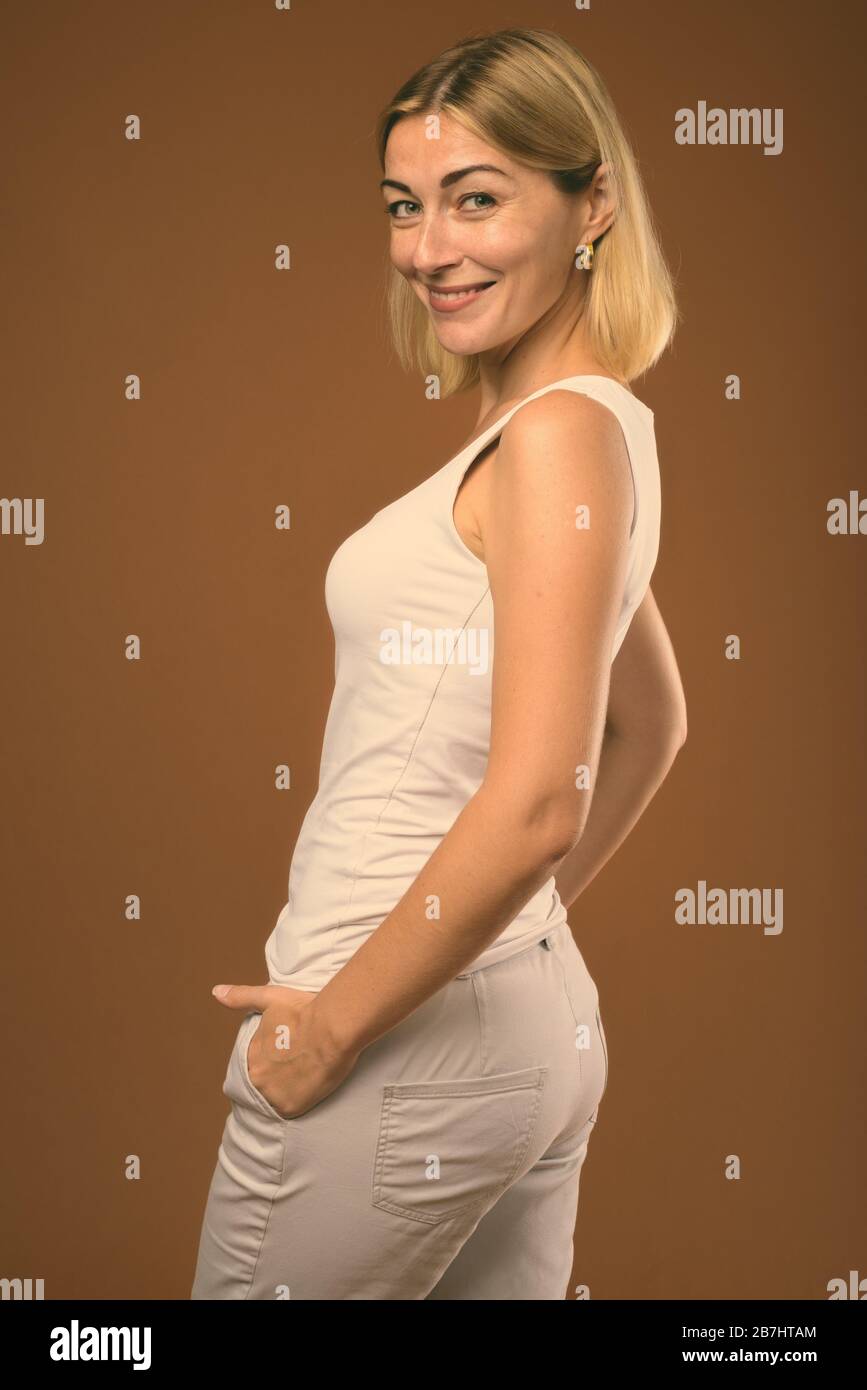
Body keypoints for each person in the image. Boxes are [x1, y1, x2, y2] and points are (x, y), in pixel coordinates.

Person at [191, 25, 686, 1301]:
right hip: (516, 1022)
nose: (428, 251)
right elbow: (650, 723)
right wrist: (513, 937)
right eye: (406, 208)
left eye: (478, 201)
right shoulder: (589, 431)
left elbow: (538, 801)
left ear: (594, 206)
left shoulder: (558, 440)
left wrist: (335, 1025)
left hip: (390, 1042)